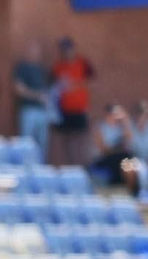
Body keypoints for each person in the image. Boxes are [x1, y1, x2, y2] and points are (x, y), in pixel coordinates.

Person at [49, 37, 95, 167]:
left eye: (68, 49)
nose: (66, 52)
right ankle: (70, 168)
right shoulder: (58, 66)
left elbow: (93, 83)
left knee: (80, 140)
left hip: (80, 109)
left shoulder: (83, 63)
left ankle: (82, 167)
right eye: (63, 50)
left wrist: (74, 85)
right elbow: (52, 87)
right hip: (64, 110)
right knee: (66, 141)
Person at [12, 40, 52, 160]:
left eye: (36, 50)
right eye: (32, 50)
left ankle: (40, 168)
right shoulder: (22, 68)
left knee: (42, 145)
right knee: (26, 143)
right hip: (28, 110)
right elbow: (19, 89)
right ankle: (25, 167)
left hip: (43, 111)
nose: (34, 52)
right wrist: (38, 96)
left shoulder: (42, 69)